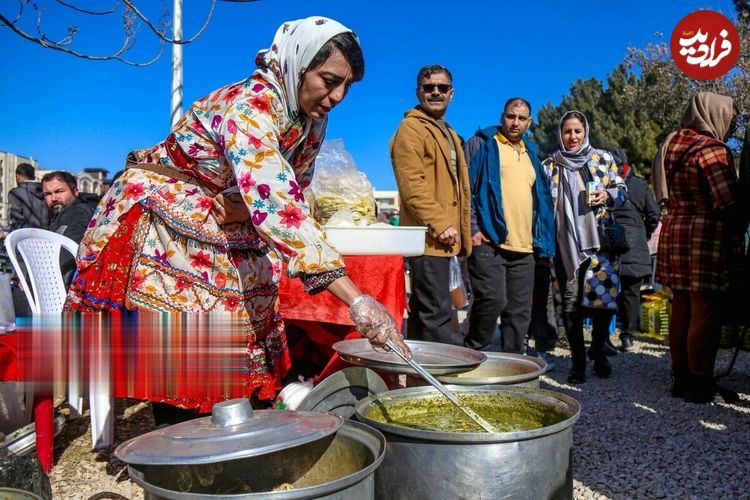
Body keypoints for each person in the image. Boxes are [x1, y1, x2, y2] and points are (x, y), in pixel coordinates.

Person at [65, 17, 411, 408]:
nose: (337, 96)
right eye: (330, 80)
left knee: (250, 309)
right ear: (297, 64)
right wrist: (357, 299)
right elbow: (278, 202)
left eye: (347, 86)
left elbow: (290, 187)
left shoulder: (310, 120)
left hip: (225, 214)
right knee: (193, 331)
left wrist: (242, 204)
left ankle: (232, 422)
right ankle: (184, 435)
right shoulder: (251, 105)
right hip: (168, 214)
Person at [655, 92, 746, 404]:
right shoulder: (712, 150)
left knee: (680, 307)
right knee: (704, 311)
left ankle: (679, 376)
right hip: (703, 236)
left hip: (674, 230)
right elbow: (726, 201)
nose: (731, 126)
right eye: (729, 119)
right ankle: (700, 382)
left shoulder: (669, 144)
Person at [461, 98, 556, 359]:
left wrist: (543, 242)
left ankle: (512, 366)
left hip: (524, 246)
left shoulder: (532, 153)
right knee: (492, 300)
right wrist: (472, 228)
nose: (515, 122)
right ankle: (473, 352)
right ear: (502, 116)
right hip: (489, 240)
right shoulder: (482, 143)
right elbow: (465, 188)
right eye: (511, 116)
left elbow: (542, 201)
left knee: (519, 312)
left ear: (529, 122)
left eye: (521, 118)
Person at [390, 64, 472, 345]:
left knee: (436, 313)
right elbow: (412, 184)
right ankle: (441, 382)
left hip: (447, 239)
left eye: (442, 87)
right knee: (435, 314)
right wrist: (440, 223)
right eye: (429, 87)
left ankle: (420, 381)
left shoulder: (448, 133)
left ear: (452, 93)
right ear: (418, 92)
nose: (435, 92)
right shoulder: (411, 128)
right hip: (429, 238)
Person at [544, 111, 626, 384]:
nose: (572, 136)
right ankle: (578, 361)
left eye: (577, 130)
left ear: (585, 132)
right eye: (567, 131)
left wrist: (608, 194)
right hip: (564, 245)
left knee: (603, 302)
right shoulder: (550, 165)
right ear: (560, 133)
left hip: (600, 243)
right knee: (570, 304)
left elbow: (621, 189)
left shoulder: (603, 158)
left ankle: (598, 352)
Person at [609, 148, 660, 352]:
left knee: (608, 290)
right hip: (635, 246)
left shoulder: (605, 184)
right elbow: (654, 214)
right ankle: (627, 336)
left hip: (610, 243)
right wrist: (644, 233)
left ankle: (602, 337)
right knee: (631, 292)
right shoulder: (640, 185)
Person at [41, 171, 95, 287]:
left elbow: (65, 252)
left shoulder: (77, 212)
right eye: (48, 194)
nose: (54, 198)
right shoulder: (62, 214)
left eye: (59, 191)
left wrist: (37, 275)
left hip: (65, 288)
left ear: (75, 192)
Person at [8, 163, 48, 231]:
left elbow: (16, 217)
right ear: (33, 176)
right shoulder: (46, 191)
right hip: (45, 234)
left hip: (25, 234)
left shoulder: (16, 193)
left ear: (17, 176)